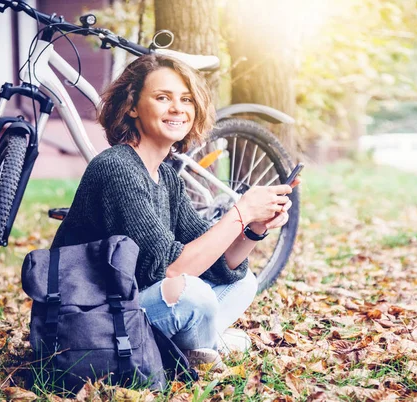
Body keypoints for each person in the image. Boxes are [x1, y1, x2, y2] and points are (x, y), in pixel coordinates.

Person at [51, 54, 299, 368]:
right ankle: (203, 349)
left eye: (186, 99)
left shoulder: (166, 176)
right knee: (192, 293)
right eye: (162, 97)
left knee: (243, 282)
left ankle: (195, 349)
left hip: (132, 308)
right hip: (90, 321)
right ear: (131, 106)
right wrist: (241, 209)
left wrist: (254, 226)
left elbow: (218, 262)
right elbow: (170, 271)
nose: (178, 108)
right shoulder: (117, 168)